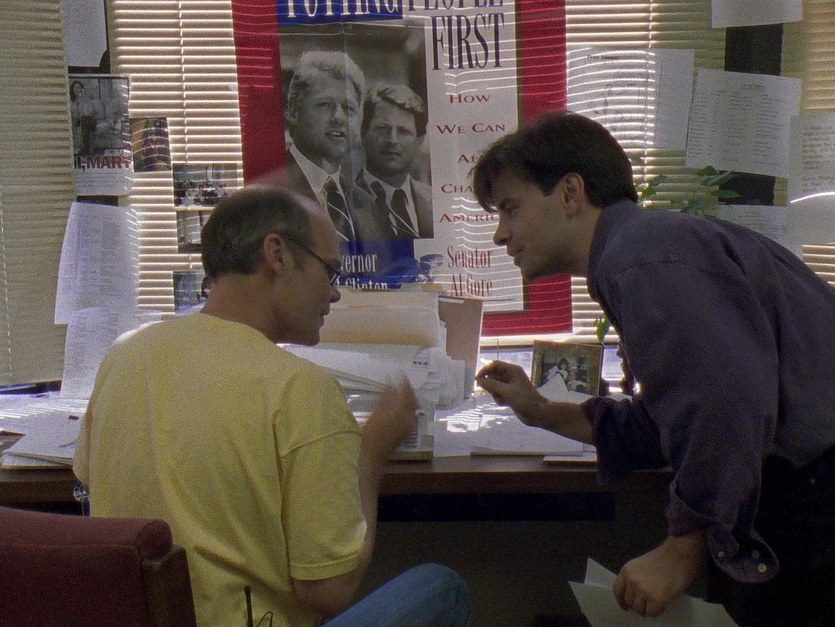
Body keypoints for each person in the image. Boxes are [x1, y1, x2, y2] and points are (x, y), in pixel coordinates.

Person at [471, 111, 835, 626]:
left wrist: (682, 549)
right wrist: (542, 412)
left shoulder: (643, 258)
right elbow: (667, 420)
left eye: (510, 209)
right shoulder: (645, 248)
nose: (500, 235)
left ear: (571, 193)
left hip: (817, 489)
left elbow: (726, 405)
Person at [73, 185, 471, 626]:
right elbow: (329, 591)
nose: (335, 295)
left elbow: (89, 482)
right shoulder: (300, 389)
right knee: (443, 587)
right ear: (277, 255)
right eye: (330, 272)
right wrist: (371, 453)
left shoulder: (125, 354)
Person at [283, 50, 385, 242]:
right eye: (324, 104)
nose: (339, 118)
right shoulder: (271, 191)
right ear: (294, 113)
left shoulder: (367, 204)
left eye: (348, 108)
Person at [358, 84, 434, 239]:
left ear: (419, 140)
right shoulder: (343, 202)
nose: (392, 140)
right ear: (364, 133)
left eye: (403, 131)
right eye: (382, 129)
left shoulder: (436, 201)